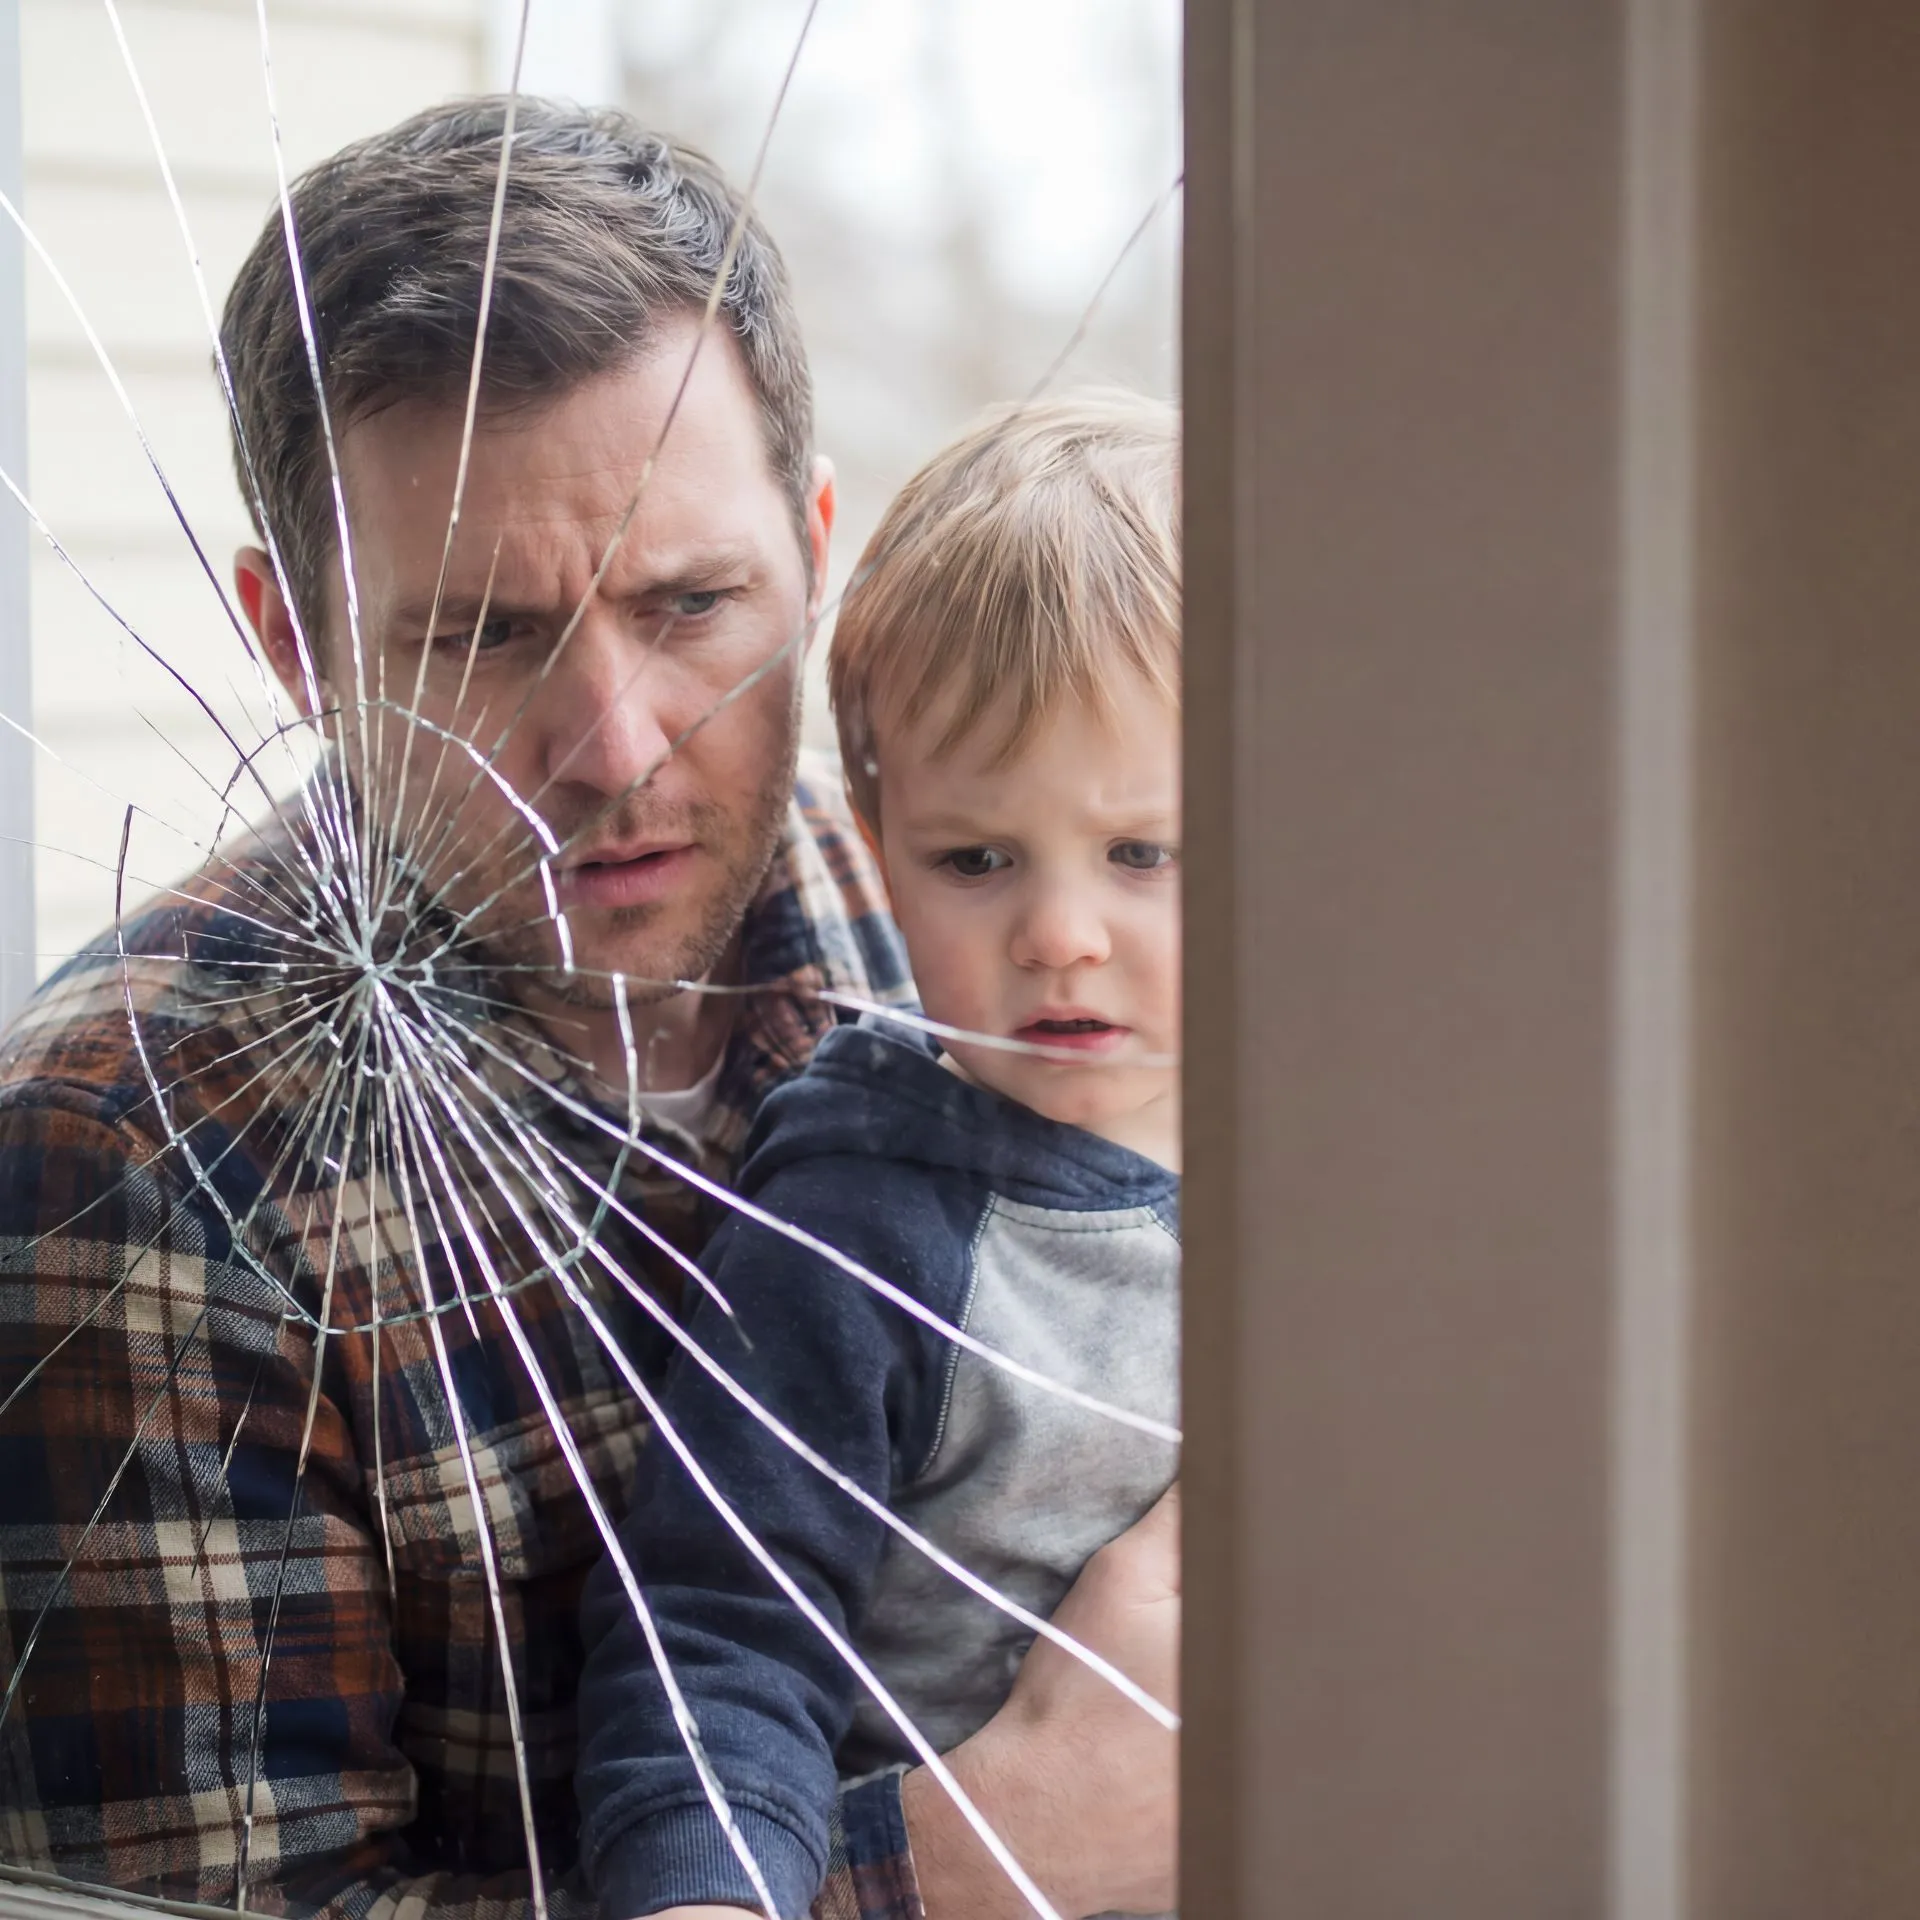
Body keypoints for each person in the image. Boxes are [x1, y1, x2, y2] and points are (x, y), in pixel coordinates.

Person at [0, 100, 1176, 1920]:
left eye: (694, 603)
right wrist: (978, 1854)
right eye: (477, 637)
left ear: (816, 543)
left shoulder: (951, 898)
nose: (617, 750)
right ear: (293, 641)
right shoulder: (132, 1157)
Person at [574, 396, 1181, 1920]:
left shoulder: (1364, 1156)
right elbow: (716, 1632)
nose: (1060, 935)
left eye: (1144, 852)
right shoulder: (864, 1226)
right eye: (976, 859)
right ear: (877, 827)